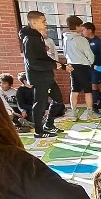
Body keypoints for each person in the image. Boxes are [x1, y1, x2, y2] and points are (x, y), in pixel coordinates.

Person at [19, 10, 69, 138]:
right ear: (34, 22)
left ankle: (49, 125)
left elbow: (43, 58)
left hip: (47, 75)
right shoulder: (30, 39)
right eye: (43, 21)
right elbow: (33, 63)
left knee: (58, 99)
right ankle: (39, 131)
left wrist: (62, 66)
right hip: (39, 77)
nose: (46, 23)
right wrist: (53, 65)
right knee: (39, 104)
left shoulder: (37, 36)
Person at [63, 15, 97, 120]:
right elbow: (89, 54)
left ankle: (73, 114)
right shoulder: (82, 40)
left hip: (71, 65)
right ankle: (90, 113)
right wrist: (91, 62)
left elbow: (65, 52)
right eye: (81, 25)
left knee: (74, 90)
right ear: (77, 26)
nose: (82, 28)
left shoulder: (65, 39)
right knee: (88, 90)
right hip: (83, 66)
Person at [82, 22, 101, 110]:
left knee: (94, 84)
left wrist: (96, 64)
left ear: (90, 30)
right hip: (87, 67)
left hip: (96, 67)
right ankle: (99, 101)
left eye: (84, 30)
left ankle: (96, 102)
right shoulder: (85, 41)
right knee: (91, 84)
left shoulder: (98, 42)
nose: (82, 32)